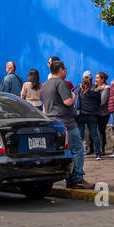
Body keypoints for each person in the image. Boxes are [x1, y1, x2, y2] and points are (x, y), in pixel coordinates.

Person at [43, 60, 88, 189]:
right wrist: (73, 95)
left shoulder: (45, 84)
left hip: (53, 122)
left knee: (65, 152)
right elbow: (68, 102)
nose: (67, 71)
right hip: (67, 122)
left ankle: (70, 178)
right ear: (61, 70)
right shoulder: (61, 83)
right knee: (77, 150)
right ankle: (77, 178)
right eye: (65, 69)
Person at [78, 71, 103, 155]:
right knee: (95, 135)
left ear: (83, 79)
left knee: (80, 135)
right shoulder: (96, 88)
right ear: (92, 79)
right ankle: (98, 154)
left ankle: (79, 153)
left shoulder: (79, 88)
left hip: (82, 115)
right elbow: (99, 101)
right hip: (93, 115)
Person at [94, 72, 111, 158]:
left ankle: (102, 149)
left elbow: (102, 101)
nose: (95, 79)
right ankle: (97, 149)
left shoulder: (106, 89)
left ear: (102, 79)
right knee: (97, 131)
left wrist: (92, 103)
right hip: (97, 113)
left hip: (103, 114)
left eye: (97, 78)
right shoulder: (97, 87)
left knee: (101, 131)